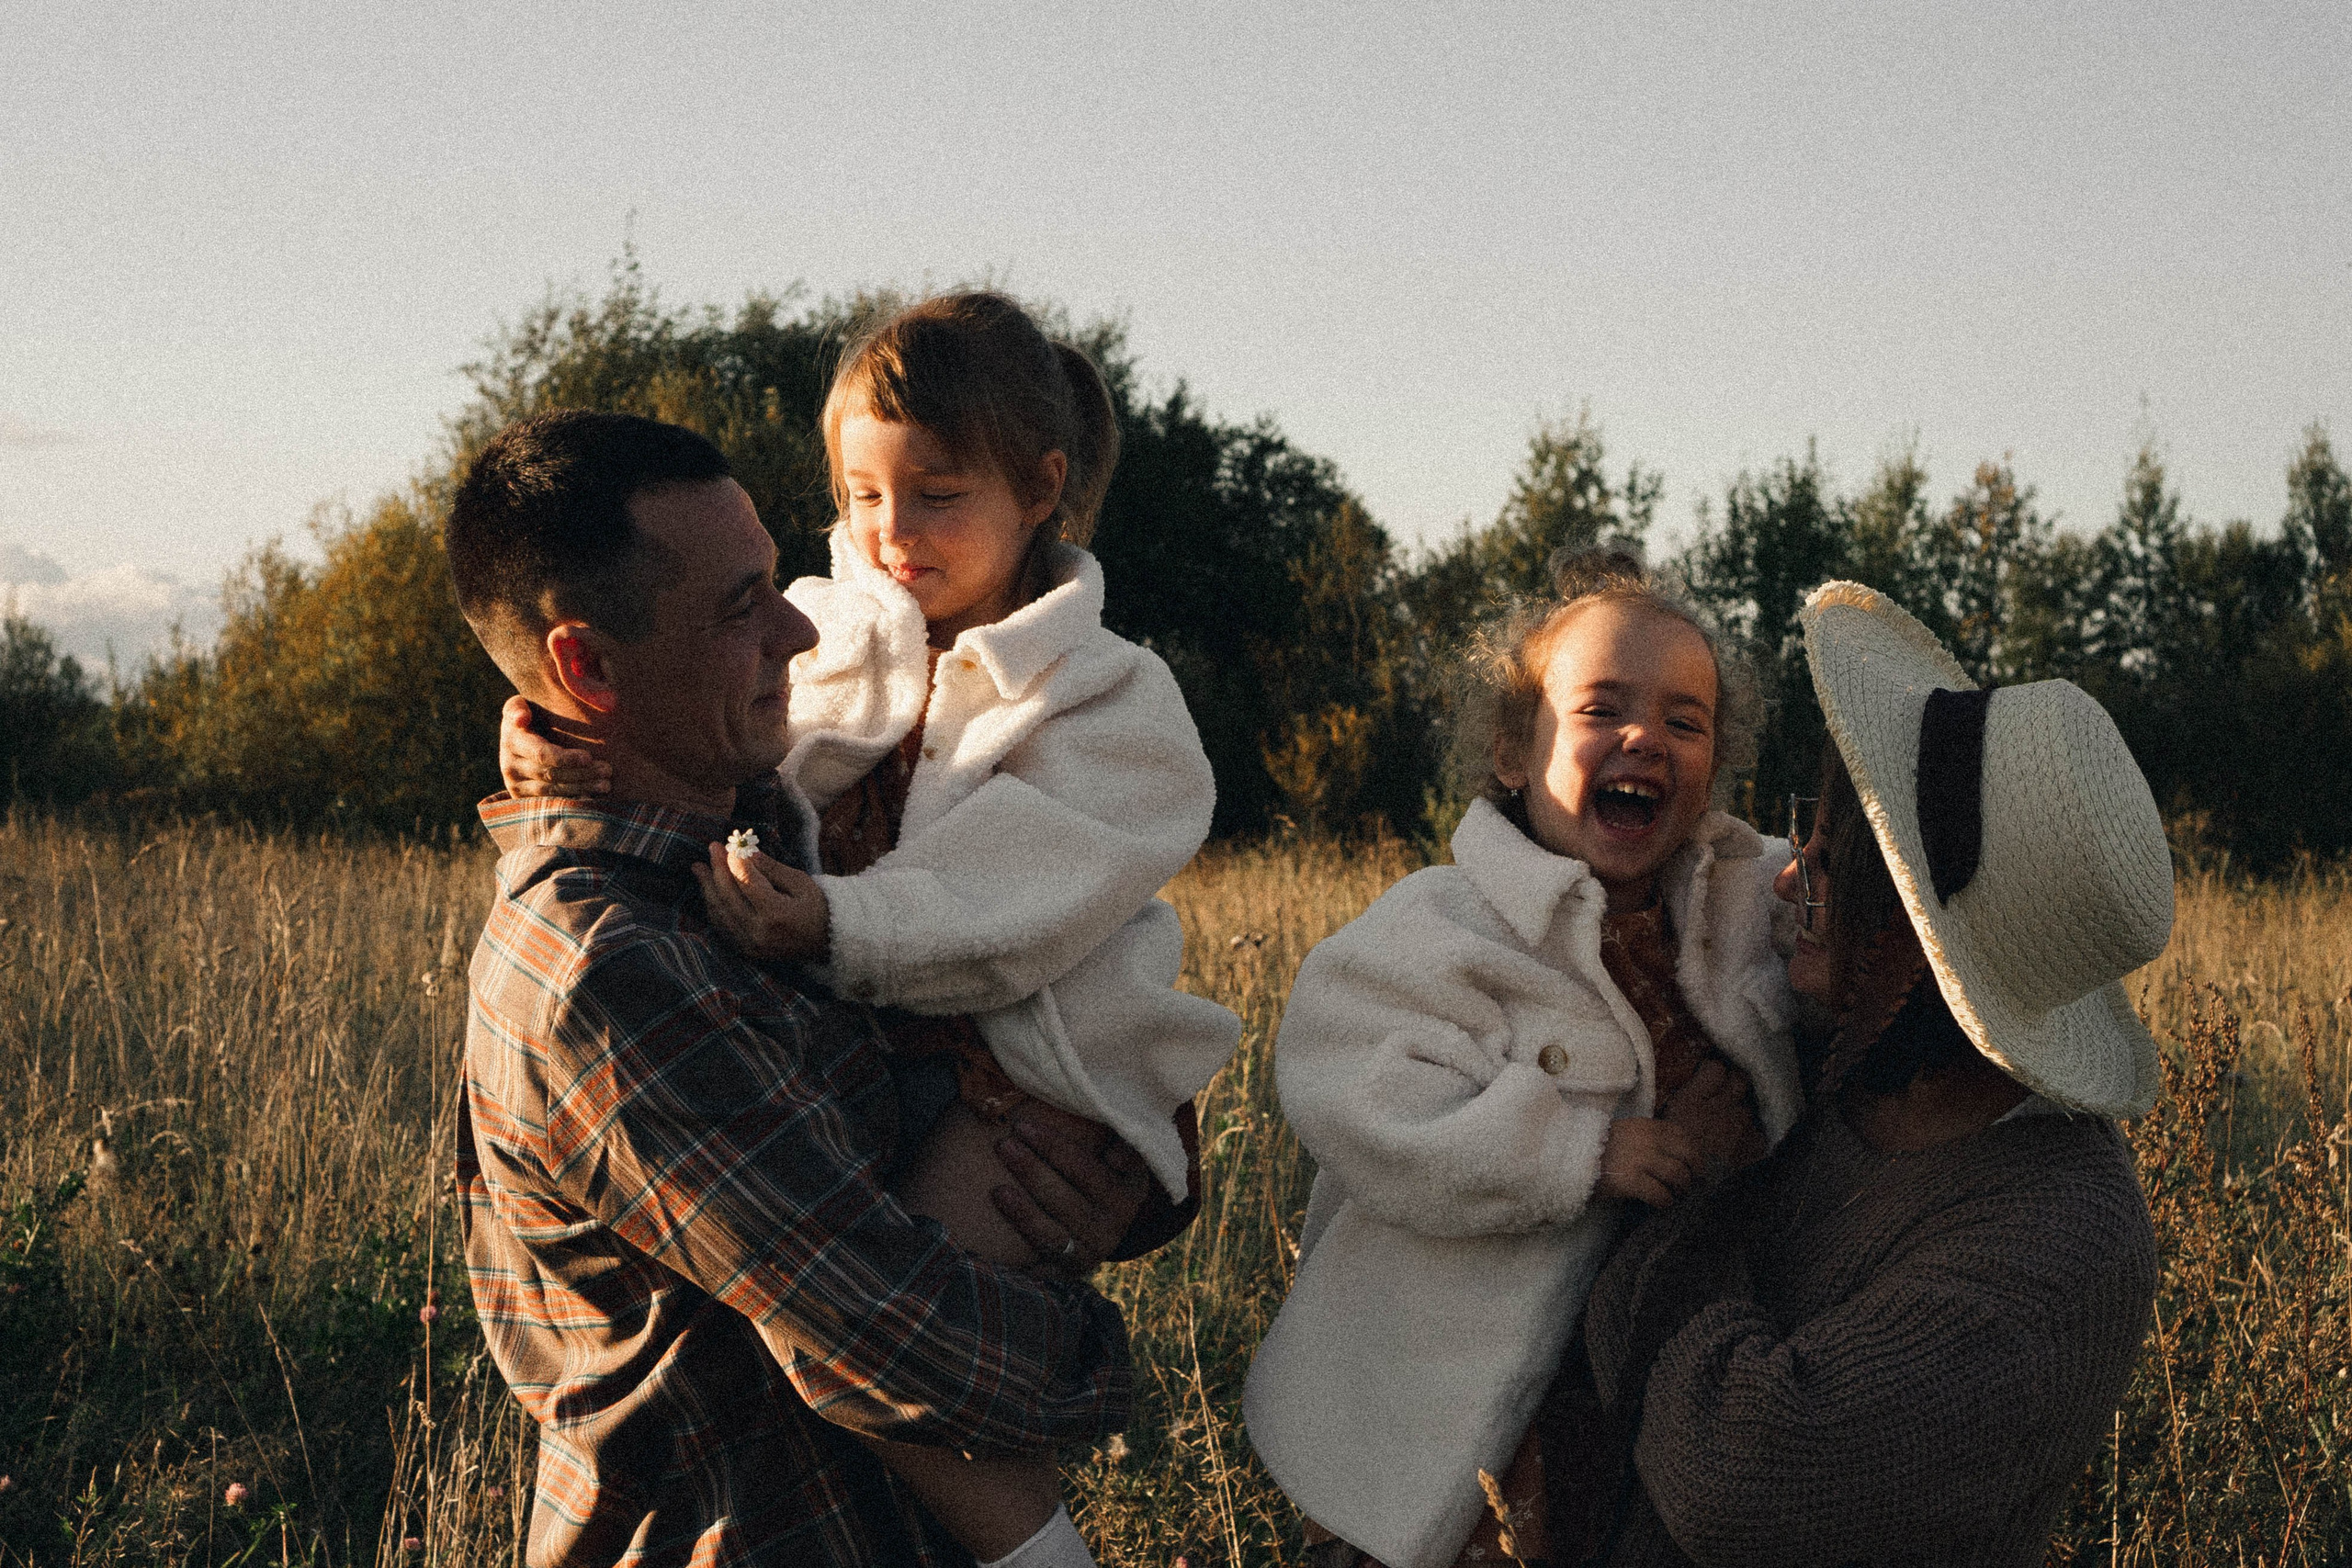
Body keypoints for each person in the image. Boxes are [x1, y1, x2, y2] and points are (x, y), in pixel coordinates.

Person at [447, 409, 1158, 1568]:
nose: (794, 631)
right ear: (586, 666)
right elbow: (890, 1333)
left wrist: (1107, 1187)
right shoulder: (604, 970)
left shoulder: (763, 833)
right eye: (739, 607)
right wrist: (1101, 1353)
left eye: (777, 582)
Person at [501, 292, 1238, 1244]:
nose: (893, 531)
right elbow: (686, 730)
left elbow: (1027, 888)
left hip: (1014, 1079)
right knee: (803, 1283)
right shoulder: (811, 629)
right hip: (828, 1041)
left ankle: (1057, 1387)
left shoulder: (1107, 695)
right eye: (862, 494)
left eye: (937, 495)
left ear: (1038, 488)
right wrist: (555, 736)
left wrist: (838, 921)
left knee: (928, 1314)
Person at [1571, 580, 2172, 1566]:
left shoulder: (2061, 1245)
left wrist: (1693, 1196)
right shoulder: (1830, 1055)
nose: (1787, 870)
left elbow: (1739, 1480)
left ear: (1910, 932)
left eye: (1833, 848)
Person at [1244, 554, 1804, 1568]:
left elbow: (1840, 906)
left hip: (1643, 1399)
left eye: (1686, 722)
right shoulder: (1446, 925)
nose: (1645, 737)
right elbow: (1354, 1090)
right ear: (1513, 748)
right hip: (1446, 1410)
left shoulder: (1732, 906)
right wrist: (1580, 1150)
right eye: (1600, 709)